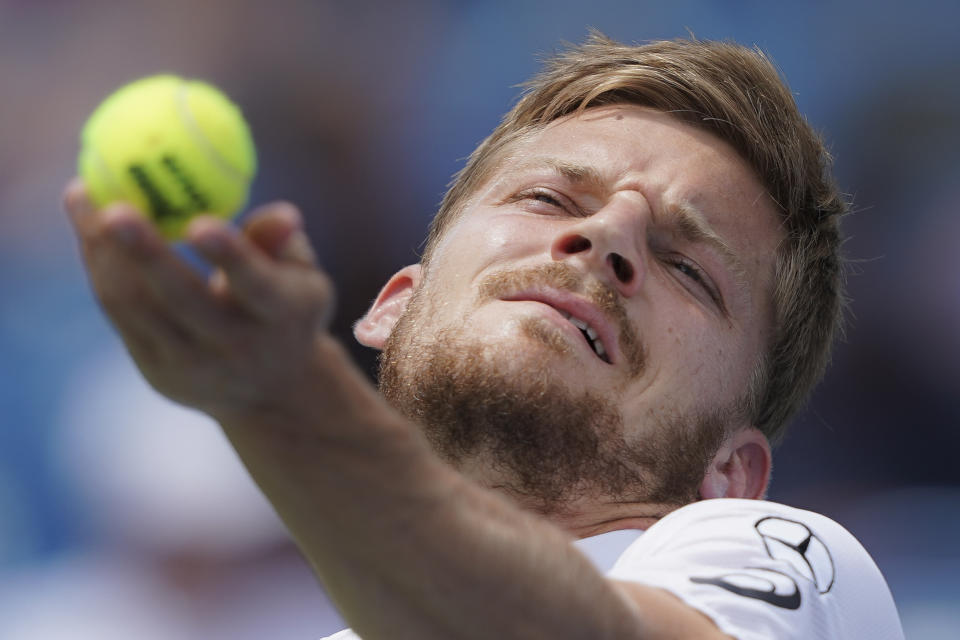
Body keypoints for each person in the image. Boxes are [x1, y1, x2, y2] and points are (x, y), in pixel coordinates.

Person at [64, 34, 905, 639]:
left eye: (688, 268)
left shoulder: (798, 571)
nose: (607, 238)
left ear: (733, 473)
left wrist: (282, 402)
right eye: (548, 200)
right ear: (395, 304)